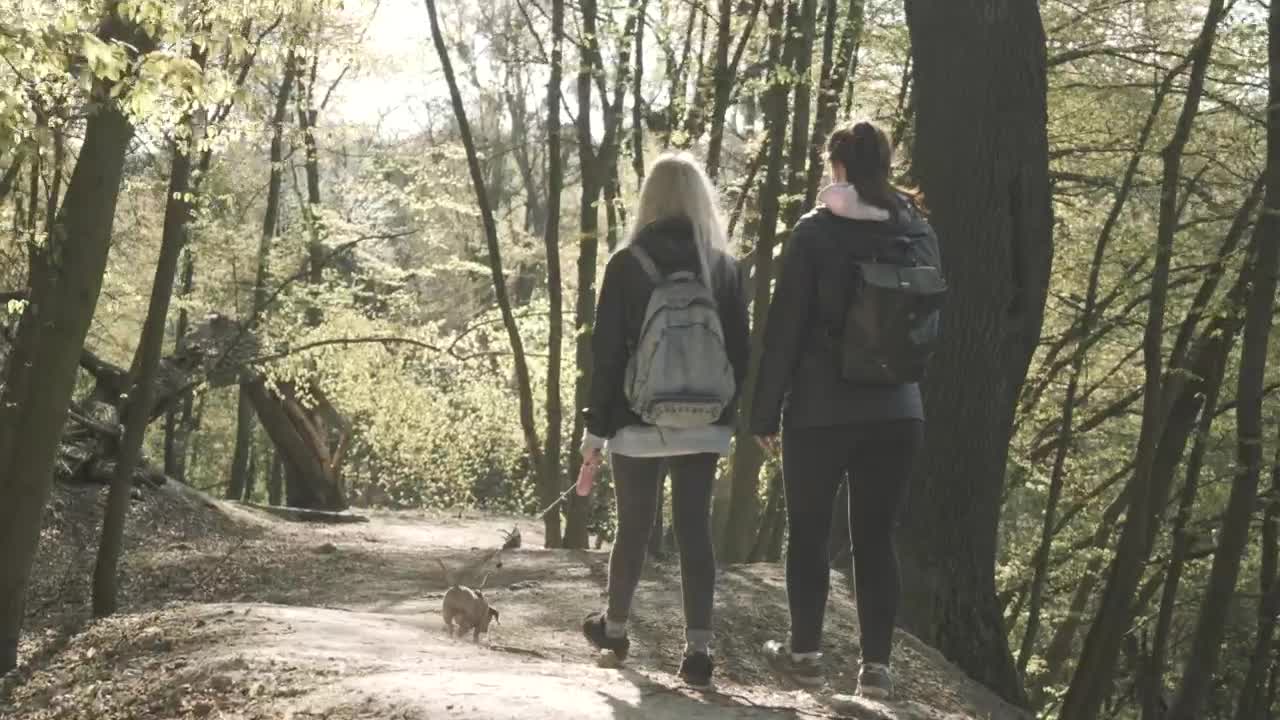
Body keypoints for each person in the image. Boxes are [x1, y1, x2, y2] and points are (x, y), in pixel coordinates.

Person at [751, 121, 939, 700]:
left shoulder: (816, 231)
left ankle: (805, 655)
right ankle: (876, 669)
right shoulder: (919, 232)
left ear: (836, 166)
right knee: (875, 538)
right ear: (886, 164)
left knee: (807, 533)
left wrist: (763, 411)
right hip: (898, 410)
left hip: (821, 409)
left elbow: (785, 327)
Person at [580, 152, 749, 690]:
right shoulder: (723, 267)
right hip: (704, 420)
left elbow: (606, 357)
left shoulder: (627, 265)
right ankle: (698, 652)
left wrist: (596, 431)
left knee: (634, 524)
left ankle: (616, 632)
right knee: (695, 529)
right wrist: (732, 418)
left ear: (649, 199)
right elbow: (741, 354)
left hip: (636, 420)